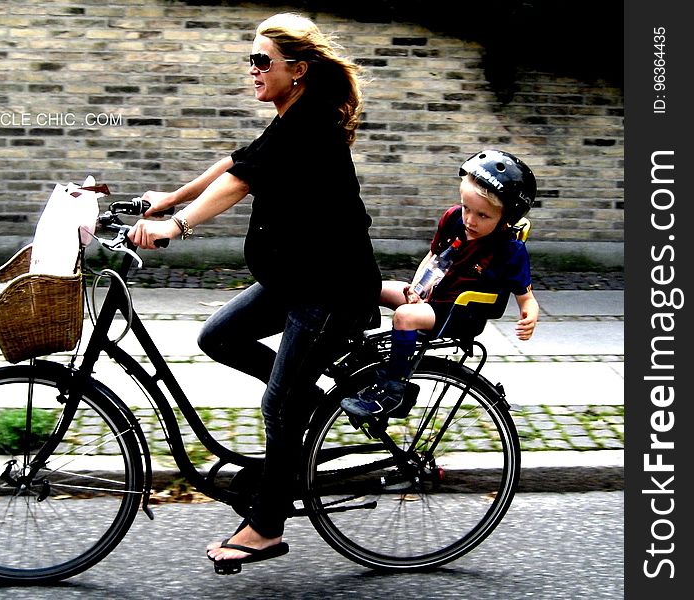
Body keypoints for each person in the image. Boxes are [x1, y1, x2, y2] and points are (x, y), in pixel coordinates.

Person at [129, 13, 381, 569]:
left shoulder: (309, 123)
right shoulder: (290, 117)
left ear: (298, 69)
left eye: (262, 60)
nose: (252, 70)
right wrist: (169, 198)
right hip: (293, 279)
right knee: (220, 337)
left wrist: (178, 225)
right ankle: (314, 411)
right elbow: (235, 164)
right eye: (250, 59)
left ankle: (266, 526)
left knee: (278, 404)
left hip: (327, 289)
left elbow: (241, 182)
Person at [341, 149, 540, 419]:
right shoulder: (453, 219)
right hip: (432, 297)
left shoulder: (508, 249)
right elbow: (433, 257)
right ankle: (350, 346)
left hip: (456, 312)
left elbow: (525, 296)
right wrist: (416, 288)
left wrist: (529, 313)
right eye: (467, 208)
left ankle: (392, 391)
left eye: (483, 216)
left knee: (405, 316)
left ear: (505, 218)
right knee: (370, 287)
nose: (470, 220)